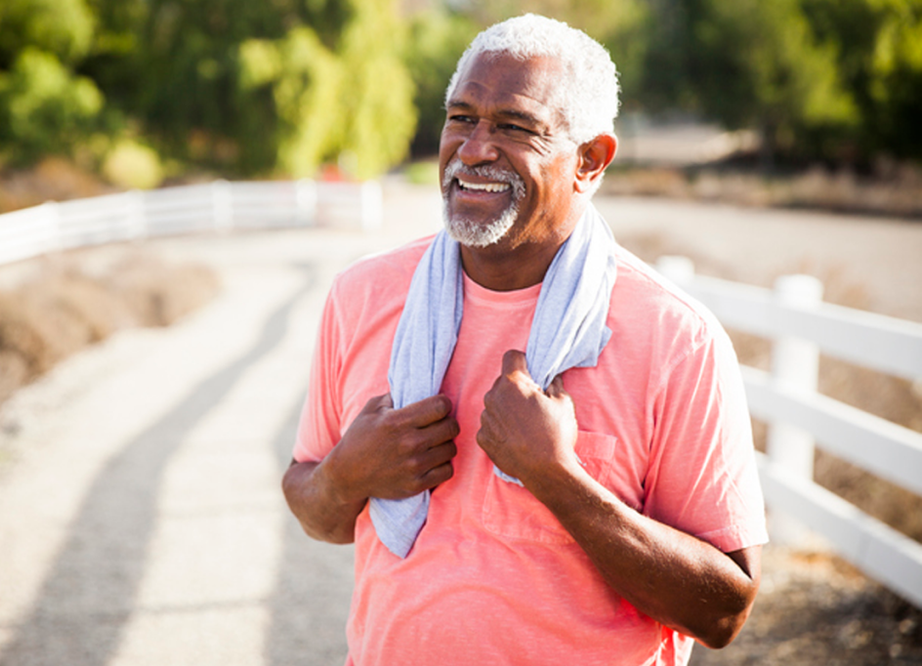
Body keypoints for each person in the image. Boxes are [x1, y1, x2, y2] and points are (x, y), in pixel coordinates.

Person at [282, 13, 768, 666]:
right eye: (462, 118)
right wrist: (347, 475)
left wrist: (558, 479)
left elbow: (722, 611)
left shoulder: (676, 338)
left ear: (589, 161)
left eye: (514, 127)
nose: (474, 149)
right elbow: (316, 508)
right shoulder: (363, 296)